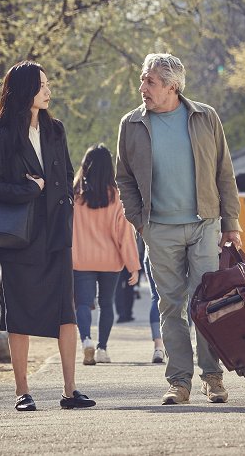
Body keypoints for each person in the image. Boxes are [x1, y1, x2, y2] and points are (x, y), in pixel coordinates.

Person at [116, 53, 241, 405]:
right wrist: (139, 221)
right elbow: (123, 178)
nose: (143, 88)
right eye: (143, 80)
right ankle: (179, 382)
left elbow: (224, 172)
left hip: (204, 225)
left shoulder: (205, 116)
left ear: (172, 86)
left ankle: (213, 377)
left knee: (207, 303)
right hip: (159, 230)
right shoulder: (131, 124)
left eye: (150, 81)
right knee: (171, 306)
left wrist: (231, 223)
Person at [0, 61, 95, 411]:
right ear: (26, 89)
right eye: (42, 85)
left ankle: (70, 390)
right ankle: (22, 392)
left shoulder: (55, 129)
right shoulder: (2, 137)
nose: (48, 91)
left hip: (56, 235)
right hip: (19, 239)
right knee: (19, 315)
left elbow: (69, 171)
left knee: (66, 313)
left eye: (48, 85)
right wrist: (30, 189)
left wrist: (62, 200)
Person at [72, 143, 140, 365]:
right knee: (106, 303)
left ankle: (86, 341)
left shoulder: (75, 196)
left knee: (82, 303)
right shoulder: (116, 197)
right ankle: (102, 349)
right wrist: (133, 265)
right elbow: (125, 235)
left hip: (81, 259)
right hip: (110, 260)